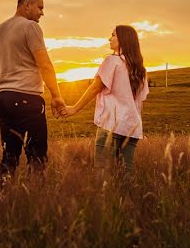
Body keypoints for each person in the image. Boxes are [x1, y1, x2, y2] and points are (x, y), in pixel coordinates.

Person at [0, 0, 66, 183]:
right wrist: (56, 96)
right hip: (27, 98)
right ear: (27, 5)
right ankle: (34, 202)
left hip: (3, 97)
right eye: (40, 8)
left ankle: (2, 198)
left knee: (9, 155)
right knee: (37, 157)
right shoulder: (30, 27)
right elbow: (45, 64)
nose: (42, 13)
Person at [62, 25, 148, 174]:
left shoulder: (112, 61)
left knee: (102, 174)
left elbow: (95, 87)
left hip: (111, 125)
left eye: (113, 35)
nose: (110, 38)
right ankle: (127, 198)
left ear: (123, 39)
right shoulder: (140, 69)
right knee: (125, 175)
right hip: (132, 127)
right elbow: (140, 101)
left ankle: (106, 198)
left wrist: (74, 108)